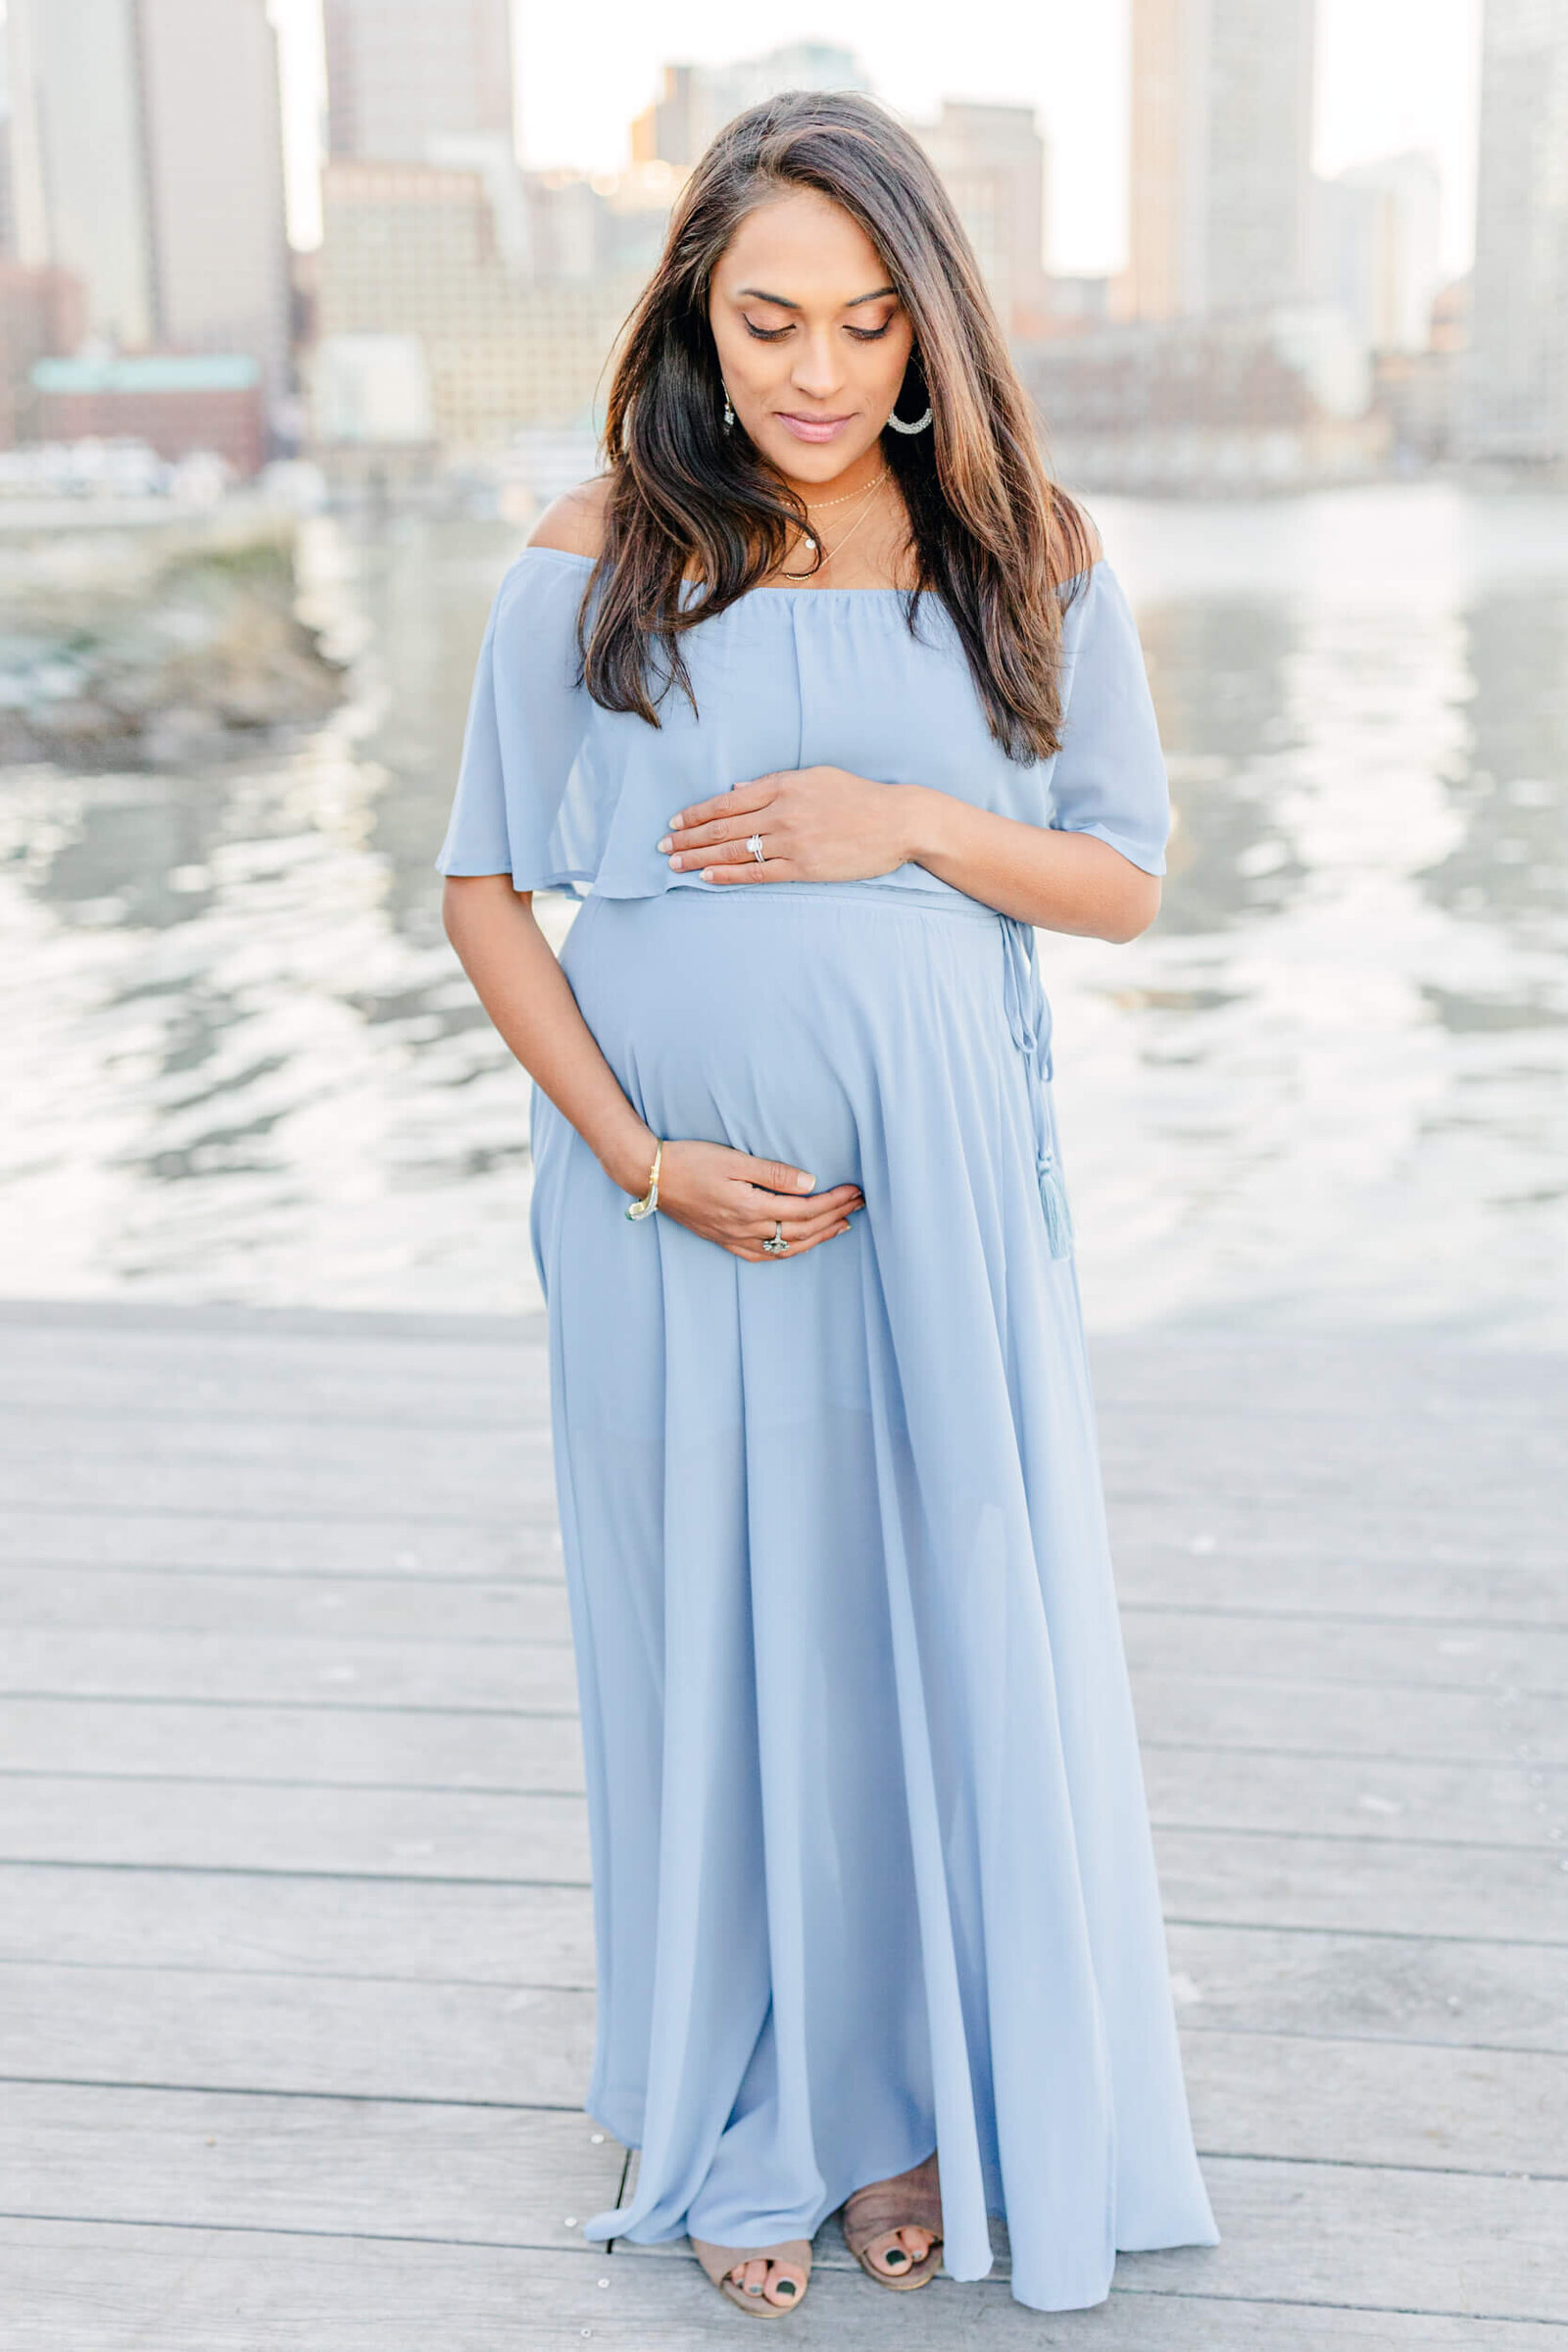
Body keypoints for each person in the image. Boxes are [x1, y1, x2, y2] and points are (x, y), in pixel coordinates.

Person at [437, 88, 1218, 2319]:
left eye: (867, 322)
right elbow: (486, 886)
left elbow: (1122, 877)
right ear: (694, 305)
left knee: (923, 1629)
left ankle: (906, 2112)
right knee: (722, 1649)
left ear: (926, 328)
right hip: (660, 1215)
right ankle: (745, 2109)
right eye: (768, 316)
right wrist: (640, 1156)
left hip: (937, 1213)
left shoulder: (1022, 552)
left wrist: (906, 822)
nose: (812, 370)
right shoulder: (596, 545)